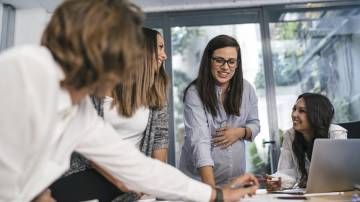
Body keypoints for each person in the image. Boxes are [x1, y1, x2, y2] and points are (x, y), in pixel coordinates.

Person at [0, 1, 259, 201]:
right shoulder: (26, 71)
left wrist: (218, 195)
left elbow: (137, 168)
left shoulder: (79, 111)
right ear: (98, 48)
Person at [50, 27, 170, 202]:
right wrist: (120, 181)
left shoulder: (156, 92)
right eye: (159, 47)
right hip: (90, 169)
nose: (164, 55)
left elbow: (160, 138)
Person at [179, 35, 260, 187]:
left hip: (234, 182)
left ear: (237, 64)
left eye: (231, 61)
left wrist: (239, 132)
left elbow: (255, 124)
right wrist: (212, 192)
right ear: (208, 60)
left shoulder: (247, 89)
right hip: (200, 184)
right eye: (219, 60)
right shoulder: (194, 93)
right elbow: (199, 141)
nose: (225, 67)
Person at [273, 93, 347, 189]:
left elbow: (343, 174)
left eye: (302, 111)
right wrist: (275, 181)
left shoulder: (335, 133)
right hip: (308, 194)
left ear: (316, 115)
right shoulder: (290, 135)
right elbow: (285, 171)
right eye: (294, 109)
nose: (294, 114)